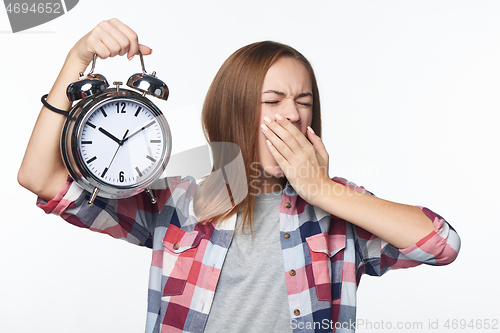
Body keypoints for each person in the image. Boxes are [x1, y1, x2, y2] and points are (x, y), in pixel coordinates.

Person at [18, 19, 460, 333]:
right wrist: (77, 59)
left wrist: (321, 189)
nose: (292, 114)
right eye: (273, 100)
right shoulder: (178, 200)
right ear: (237, 111)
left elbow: (442, 243)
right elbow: (41, 178)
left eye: (303, 101)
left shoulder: (338, 211)